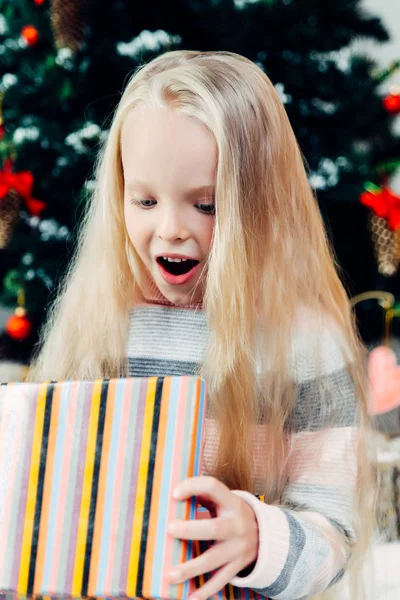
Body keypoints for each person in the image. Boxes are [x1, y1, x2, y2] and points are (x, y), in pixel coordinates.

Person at [28, 50, 376, 599]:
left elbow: (335, 535)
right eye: (144, 200)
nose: (169, 229)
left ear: (263, 207)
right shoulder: (101, 319)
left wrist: (258, 538)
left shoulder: (306, 343)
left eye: (207, 205)